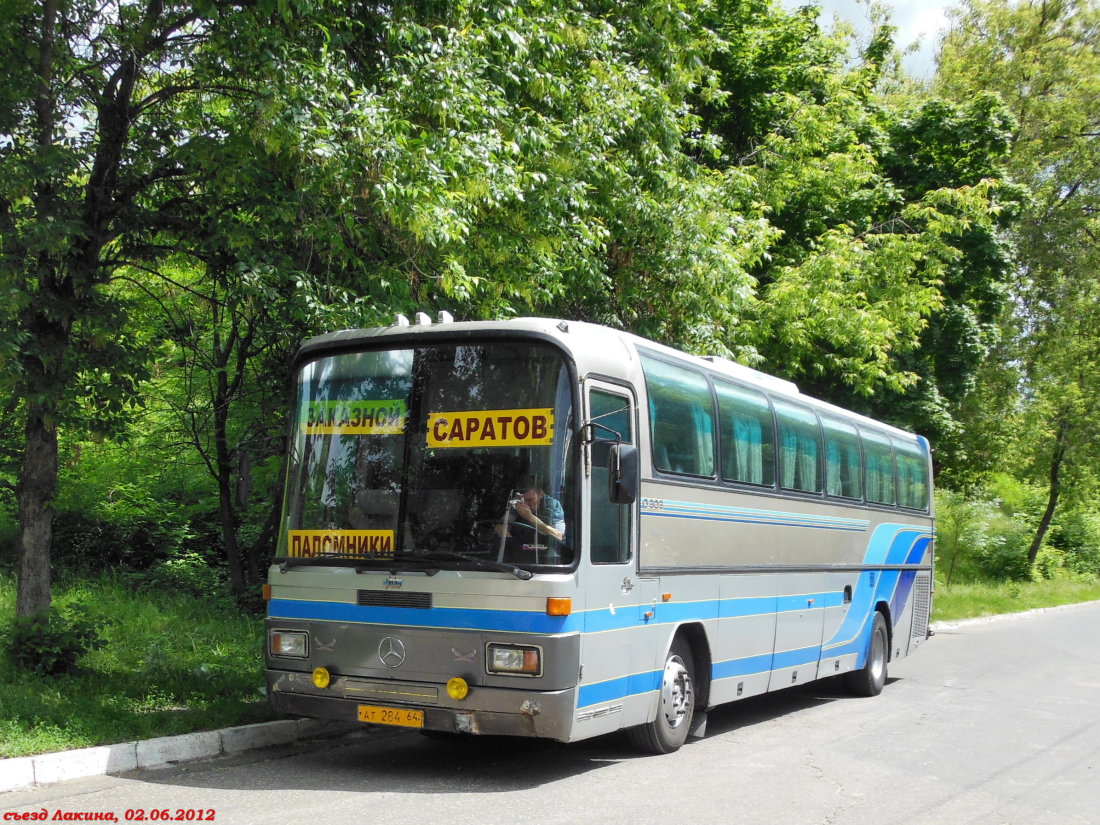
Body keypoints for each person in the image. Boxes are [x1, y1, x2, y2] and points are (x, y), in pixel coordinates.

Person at [500, 476, 565, 541]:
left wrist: (530, 517)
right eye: (522, 500)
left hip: (544, 547)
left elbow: (558, 535)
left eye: (529, 500)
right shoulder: (517, 501)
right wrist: (511, 543)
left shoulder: (552, 504)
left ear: (541, 495)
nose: (525, 504)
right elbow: (502, 526)